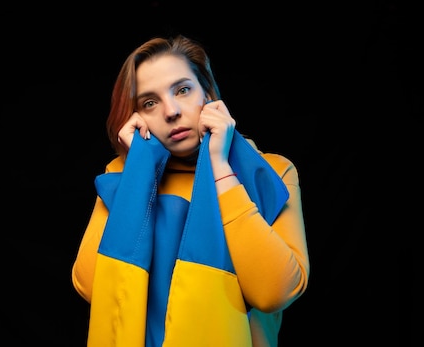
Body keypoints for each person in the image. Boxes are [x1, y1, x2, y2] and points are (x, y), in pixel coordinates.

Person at [71, 34, 310, 347]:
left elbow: (275, 292)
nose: (171, 111)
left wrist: (220, 167)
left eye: (182, 90)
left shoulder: (272, 171)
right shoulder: (124, 175)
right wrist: (137, 175)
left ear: (208, 93)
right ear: (137, 116)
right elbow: (92, 287)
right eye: (150, 102)